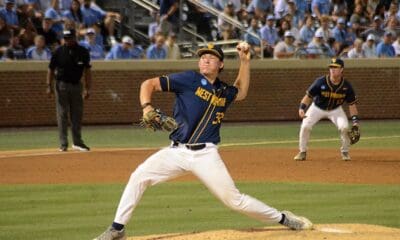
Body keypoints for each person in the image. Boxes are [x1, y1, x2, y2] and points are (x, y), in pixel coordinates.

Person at [93, 43, 313, 240]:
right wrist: (147, 107)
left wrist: (245, 62)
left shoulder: (224, 91)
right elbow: (148, 84)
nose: (205, 59)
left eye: (211, 57)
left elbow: (242, 91)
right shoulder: (188, 79)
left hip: (205, 155)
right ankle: (117, 228)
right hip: (176, 152)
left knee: (234, 200)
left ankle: (284, 218)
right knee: (139, 176)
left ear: (220, 64)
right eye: (202, 57)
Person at [294, 58, 359, 161]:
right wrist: (302, 108)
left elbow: (352, 105)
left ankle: (345, 152)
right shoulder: (320, 82)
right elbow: (308, 96)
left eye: (336, 67)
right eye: (331, 67)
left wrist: (355, 122)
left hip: (335, 110)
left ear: (342, 69)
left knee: (344, 127)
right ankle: (302, 152)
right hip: (317, 108)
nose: (332, 69)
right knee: (305, 126)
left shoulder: (347, 86)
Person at [46, 29, 91, 152]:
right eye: (65, 38)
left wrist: (87, 88)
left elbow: (87, 71)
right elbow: (50, 69)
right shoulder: (59, 51)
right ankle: (63, 143)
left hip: (77, 85)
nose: (68, 40)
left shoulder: (83, 51)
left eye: (70, 38)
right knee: (62, 114)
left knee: (77, 114)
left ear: (75, 38)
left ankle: (77, 142)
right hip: (62, 86)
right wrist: (48, 86)